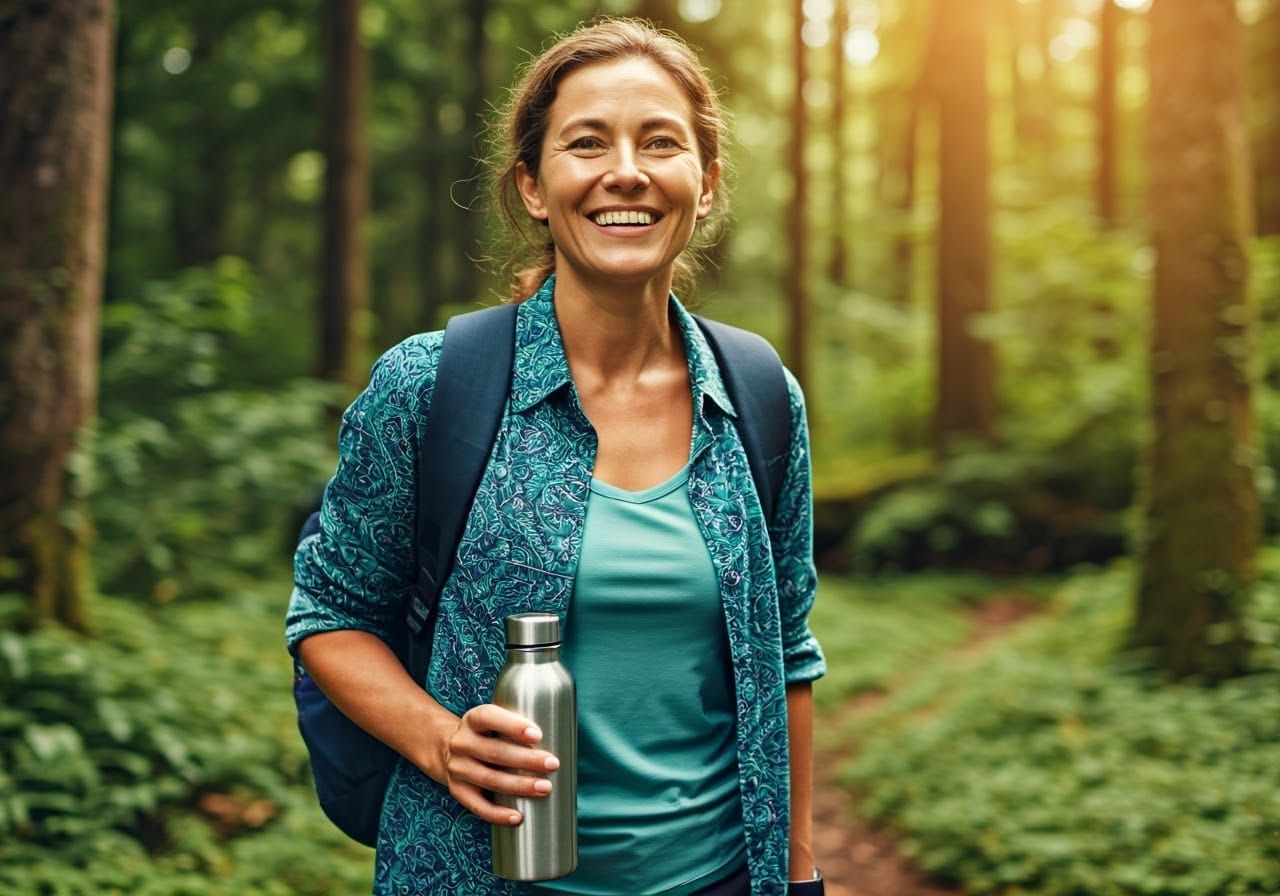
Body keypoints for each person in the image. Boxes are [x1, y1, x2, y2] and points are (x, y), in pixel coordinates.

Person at [286, 17, 825, 896]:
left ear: (707, 181)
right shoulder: (431, 386)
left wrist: (799, 872)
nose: (626, 171)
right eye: (587, 142)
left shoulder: (760, 394)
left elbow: (787, 652)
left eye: (661, 142)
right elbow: (330, 612)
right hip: (476, 874)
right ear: (534, 187)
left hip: (724, 878)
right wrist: (438, 738)